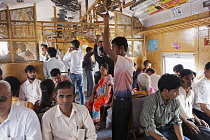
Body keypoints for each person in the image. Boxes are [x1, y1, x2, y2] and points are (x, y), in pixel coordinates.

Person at [103, 13, 135, 140]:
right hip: (119, 100)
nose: (112, 49)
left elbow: (106, 48)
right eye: (112, 47)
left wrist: (106, 23)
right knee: (117, 129)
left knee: (121, 131)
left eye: (114, 47)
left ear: (121, 48)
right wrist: (113, 100)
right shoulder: (120, 62)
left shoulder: (125, 62)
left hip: (123, 102)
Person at [140, 74, 189, 140]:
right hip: (153, 133)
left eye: (178, 90)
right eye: (175, 91)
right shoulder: (151, 101)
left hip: (167, 130)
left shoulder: (175, 101)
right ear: (165, 90)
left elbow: (176, 122)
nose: (178, 94)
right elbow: (149, 127)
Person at [178, 69, 210, 140]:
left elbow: (190, 110)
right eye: (187, 78)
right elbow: (172, 112)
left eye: (192, 78)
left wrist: (198, 119)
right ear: (180, 79)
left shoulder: (191, 93)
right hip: (181, 122)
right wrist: (186, 122)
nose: (190, 81)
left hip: (192, 120)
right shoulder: (176, 93)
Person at [85, 63, 114, 129]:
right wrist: (92, 96)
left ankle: (97, 123)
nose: (101, 71)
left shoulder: (109, 77)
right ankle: (89, 120)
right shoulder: (99, 77)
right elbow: (94, 88)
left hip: (105, 96)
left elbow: (107, 92)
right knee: (87, 103)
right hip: (96, 95)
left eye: (103, 70)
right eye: (100, 69)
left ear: (107, 70)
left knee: (96, 104)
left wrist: (97, 98)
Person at [63, 40, 85, 105]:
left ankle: (74, 103)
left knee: (73, 90)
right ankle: (82, 103)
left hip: (73, 74)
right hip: (80, 73)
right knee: (81, 90)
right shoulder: (82, 52)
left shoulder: (72, 54)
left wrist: (68, 51)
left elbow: (64, 59)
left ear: (73, 46)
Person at [193, 62, 210, 126]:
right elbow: (204, 108)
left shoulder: (208, 82)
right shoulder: (201, 84)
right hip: (202, 114)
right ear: (206, 71)